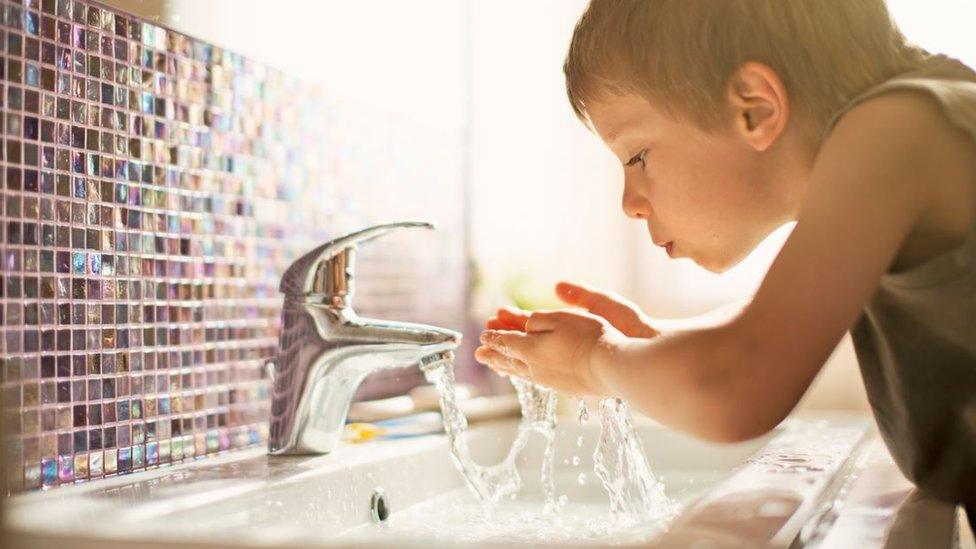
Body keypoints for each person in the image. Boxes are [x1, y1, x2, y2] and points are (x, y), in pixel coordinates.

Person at [474, 0, 976, 525]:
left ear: (755, 109)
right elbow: (772, 327)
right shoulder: (916, 122)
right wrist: (652, 344)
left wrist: (596, 360)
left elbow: (737, 385)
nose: (629, 202)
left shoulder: (896, 132)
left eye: (637, 156)